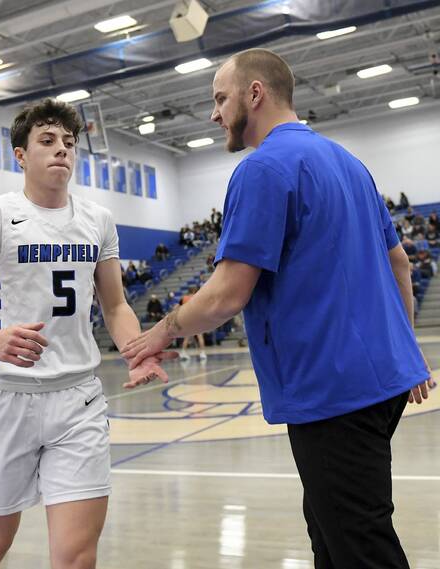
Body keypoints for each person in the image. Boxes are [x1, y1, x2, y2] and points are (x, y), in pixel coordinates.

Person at [123, 48, 433, 569]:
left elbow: (226, 294)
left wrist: (161, 333)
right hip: (377, 387)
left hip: (332, 392)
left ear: (256, 94)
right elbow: (399, 263)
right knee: (331, 538)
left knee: (361, 547)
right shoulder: (349, 163)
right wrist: (407, 356)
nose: (214, 113)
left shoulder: (263, 168)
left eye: (220, 99)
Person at [0, 98, 172, 569]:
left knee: (77, 556)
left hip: (77, 399)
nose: (61, 149)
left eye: (68, 142)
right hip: (6, 398)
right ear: (21, 155)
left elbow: (116, 305)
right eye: (47, 140)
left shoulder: (98, 221)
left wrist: (134, 350)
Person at [178, 286, 206, 361]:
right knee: (200, 336)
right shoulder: (197, 297)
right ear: (194, 291)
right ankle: (202, 353)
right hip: (196, 318)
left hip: (187, 319)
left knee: (187, 337)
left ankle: (183, 352)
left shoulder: (184, 298)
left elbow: (177, 307)